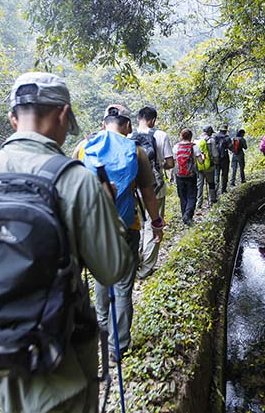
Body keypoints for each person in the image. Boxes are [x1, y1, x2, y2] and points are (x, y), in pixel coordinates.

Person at [0, 72, 132, 413]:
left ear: (13, 118)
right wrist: (108, 206)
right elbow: (113, 268)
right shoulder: (76, 180)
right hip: (63, 364)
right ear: (63, 114)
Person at [72, 104, 163, 362]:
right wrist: (156, 223)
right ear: (127, 125)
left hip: (93, 230)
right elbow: (148, 192)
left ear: (103, 124)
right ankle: (118, 346)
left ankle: (102, 329)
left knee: (102, 280)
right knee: (123, 287)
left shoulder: (82, 148)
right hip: (127, 227)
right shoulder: (135, 151)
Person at [133, 106, 174, 279]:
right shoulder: (161, 135)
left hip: (134, 188)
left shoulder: (128, 136)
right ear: (153, 120)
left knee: (140, 225)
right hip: (155, 187)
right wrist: (159, 166)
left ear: (137, 119)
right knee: (154, 223)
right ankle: (147, 267)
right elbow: (170, 163)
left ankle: (137, 261)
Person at [172, 128, 204, 225]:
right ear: (190, 137)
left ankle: (184, 217)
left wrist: (171, 175)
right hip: (191, 175)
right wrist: (202, 156)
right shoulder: (194, 147)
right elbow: (201, 162)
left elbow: (174, 161)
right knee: (192, 196)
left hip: (179, 175)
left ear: (181, 136)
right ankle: (188, 216)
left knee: (182, 196)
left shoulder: (176, 147)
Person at [196, 125, 217, 209]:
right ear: (209, 132)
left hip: (199, 165)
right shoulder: (211, 141)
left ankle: (199, 203)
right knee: (211, 183)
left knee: (200, 184)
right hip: (209, 166)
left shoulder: (197, 140)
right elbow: (215, 154)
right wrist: (216, 162)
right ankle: (212, 200)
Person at [214, 124, 232, 195]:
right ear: (226, 131)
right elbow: (231, 147)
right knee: (224, 175)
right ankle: (223, 190)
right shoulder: (227, 138)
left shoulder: (215, 137)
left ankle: (214, 192)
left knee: (216, 175)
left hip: (216, 158)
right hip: (225, 158)